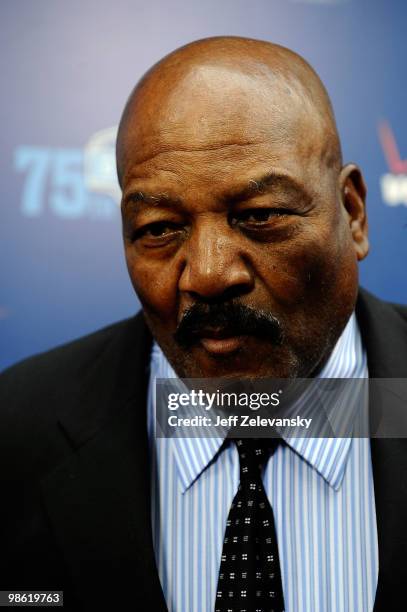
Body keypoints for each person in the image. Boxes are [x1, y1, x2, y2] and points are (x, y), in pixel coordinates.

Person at [1, 36, 406, 612]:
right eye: (161, 228)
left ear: (353, 213)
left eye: (260, 216)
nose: (209, 275)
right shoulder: (18, 432)